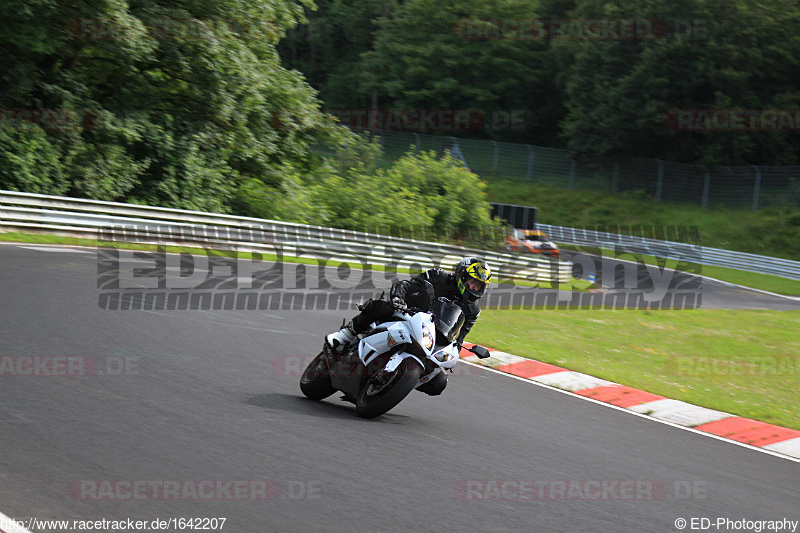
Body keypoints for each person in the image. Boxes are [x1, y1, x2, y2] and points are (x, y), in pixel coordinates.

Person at [325, 256, 492, 396]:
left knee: (439, 383)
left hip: (431, 334)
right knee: (382, 307)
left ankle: (395, 383)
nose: (475, 288)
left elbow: (460, 335)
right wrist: (398, 299)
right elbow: (407, 285)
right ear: (462, 276)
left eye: (480, 286)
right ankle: (345, 335)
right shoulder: (438, 276)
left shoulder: (473, 309)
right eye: (473, 282)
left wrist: (454, 350)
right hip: (406, 312)